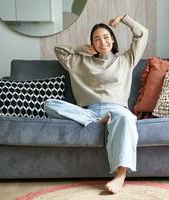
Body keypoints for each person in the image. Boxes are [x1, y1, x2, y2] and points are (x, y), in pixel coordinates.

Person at [44, 14, 148, 194]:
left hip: (116, 111)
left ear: (113, 40)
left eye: (106, 37)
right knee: (49, 104)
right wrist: (81, 49)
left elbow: (142, 34)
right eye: (97, 39)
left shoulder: (125, 60)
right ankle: (100, 120)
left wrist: (124, 19)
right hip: (89, 113)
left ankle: (120, 176)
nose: (103, 42)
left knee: (126, 118)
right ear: (92, 43)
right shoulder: (79, 61)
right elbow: (58, 49)